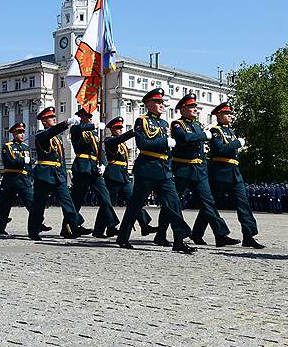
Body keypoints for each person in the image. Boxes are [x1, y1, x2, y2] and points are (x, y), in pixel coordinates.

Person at [116, 89, 196, 253]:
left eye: (162, 102)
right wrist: (164, 142)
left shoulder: (164, 124)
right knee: (136, 205)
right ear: (149, 104)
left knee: (174, 204)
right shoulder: (142, 121)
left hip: (164, 170)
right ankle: (123, 237)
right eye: (158, 102)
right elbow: (142, 144)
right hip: (147, 168)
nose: (162, 105)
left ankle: (179, 240)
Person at [171, 94, 240, 247]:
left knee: (209, 203)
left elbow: (200, 149)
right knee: (174, 203)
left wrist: (204, 167)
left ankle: (221, 235)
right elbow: (185, 139)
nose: (195, 109)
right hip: (182, 169)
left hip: (198, 171)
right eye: (192, 107)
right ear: (183, 109)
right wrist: (203, 135)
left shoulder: (196, 126)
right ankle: (163, 233)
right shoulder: (177, 124)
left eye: (195, 107)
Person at [26, 107, 92, 240]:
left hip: (58, 174)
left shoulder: (58, 138)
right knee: (39, 204)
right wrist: (66, 123)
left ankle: (74, 226)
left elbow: (60, 158)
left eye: (54, 117)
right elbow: (51, 132)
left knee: (67, 201)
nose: (54, 119)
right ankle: (33, 230)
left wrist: (64, 175)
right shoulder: (41, 134)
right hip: (44, 174)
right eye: (50, 117)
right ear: (43, 121)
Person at [206, 102, 264, 249]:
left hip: (234, 173)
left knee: (243, 204)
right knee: (210, 205)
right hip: (221, 172)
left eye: (230, 113)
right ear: (219, 115)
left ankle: (248, 236)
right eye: (227, 113)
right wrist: (237, 143)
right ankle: (202, 233)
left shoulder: (231, 132)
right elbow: (219, 149)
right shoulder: (215, 131)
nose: (230, 116)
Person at [69, 109, 120, 238]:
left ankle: (111, 224)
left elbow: (100, 150)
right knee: (77, 200)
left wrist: (103, 163)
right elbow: (79, 129)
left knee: (105, 197)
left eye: (91, 116)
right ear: (81, 117)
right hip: (82, 167)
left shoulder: (94, 134)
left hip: (94, 169)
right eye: (87, 116)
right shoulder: (76, 129)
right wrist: (95, 125)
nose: (90, 118)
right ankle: (69, 226)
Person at [103, 117, 158, 237]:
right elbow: (119, 139)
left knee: (135, 200)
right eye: (117, 128)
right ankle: (106, 228)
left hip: (123, 175)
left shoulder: (121, 143)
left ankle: (144, 225)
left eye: (121, 128)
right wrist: (134, 131)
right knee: (107, 203)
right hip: (113, 175)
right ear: (111, 128)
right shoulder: (109, 140)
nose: (120, 130)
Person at [0, 123, 33, 235]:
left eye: (23, 132)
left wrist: (30, 176)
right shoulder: (8, 146)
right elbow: (9, 163)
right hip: (11, 179)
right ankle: (0, 228)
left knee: (32, 203)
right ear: (13, 133)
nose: (22, 134)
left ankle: (38, 224)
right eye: (19, 132)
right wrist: (23, 161)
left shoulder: (26, 147)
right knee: (5, 205)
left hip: (23, 179)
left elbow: (29, 165)